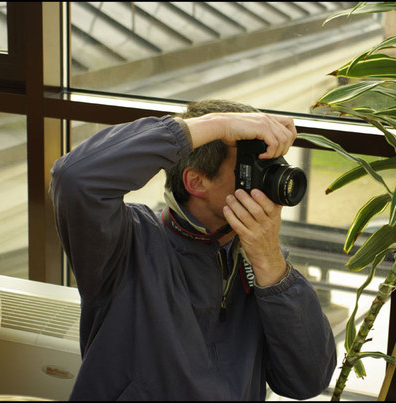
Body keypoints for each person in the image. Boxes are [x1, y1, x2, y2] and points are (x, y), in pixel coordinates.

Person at [49, 99, 337, 401]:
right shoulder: (127, 245)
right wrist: (218, 125)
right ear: (196, 181)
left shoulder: (259, 262)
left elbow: (308, 380)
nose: (271, 178)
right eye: (252, 165)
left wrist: (271, 265)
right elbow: (75, 178)